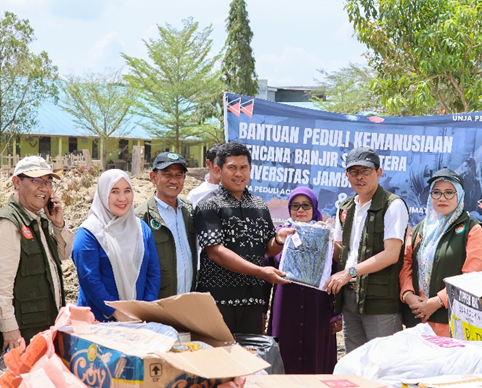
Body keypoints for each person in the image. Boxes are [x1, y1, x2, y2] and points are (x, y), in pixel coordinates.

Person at [193, 142, 292, 334]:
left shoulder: (259, 204)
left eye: (243, 167)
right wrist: (260, 272)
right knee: (217, 359)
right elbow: (216, 252)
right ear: (218, 170)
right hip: (217, 301)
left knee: (249, 359)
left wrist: (279, 239)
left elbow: (268, 247)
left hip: (253, 300)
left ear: (250, 169)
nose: (238, 173)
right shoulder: (208, 205)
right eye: (232, 167)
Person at [0, 156, 73, 352]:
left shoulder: (38, 219)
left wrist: (58, 225)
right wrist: (10, 330)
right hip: (22, 334)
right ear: (16, 182)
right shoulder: (8, 224)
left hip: (44, 329)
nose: (44, 188)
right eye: (35, 180)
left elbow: (65, 254)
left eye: (48, 182)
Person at [324, 146, 409, 354]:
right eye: (354, 171)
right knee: (354, 362)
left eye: (366, 171)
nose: (359, 177)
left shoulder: (393, 205)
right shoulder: (344, 207)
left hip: (380, 300)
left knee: (383, 364)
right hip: (349, 298)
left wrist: (349, 272)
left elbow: (391, 255)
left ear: (378, 173)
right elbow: (340, 252)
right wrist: (319, 244)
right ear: (347, 175)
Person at [401, 168, 482, 336]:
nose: (442, 198)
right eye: (436, 193)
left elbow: (471, 276)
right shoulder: (420, 229)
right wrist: (408, 294)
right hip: (417, 318)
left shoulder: (471, 229)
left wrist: (437, 302)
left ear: (459, 195)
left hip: (450, 320)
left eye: (449, 192)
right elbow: (406, 264)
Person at [267, 188, 339, 373]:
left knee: (316, 354)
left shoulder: (325, 234)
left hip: (318, 308)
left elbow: (338, 270)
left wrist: (337, 314)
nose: (301, 210)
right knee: (284, 353)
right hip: (286, 305)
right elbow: (267, 264)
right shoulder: (281, 234)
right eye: (295, 205)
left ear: (314, 208)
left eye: (306, 205)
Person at [72, 170, 160, 321]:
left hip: (138, 320)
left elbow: (154, 273)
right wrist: (117, 313)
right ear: (103, 194)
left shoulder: (141, 229)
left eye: (127, 191)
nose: (122, 198)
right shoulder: (88, 233)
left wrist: (145, 309)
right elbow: (90, 280)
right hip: (99, 321)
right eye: (114, 191)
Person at [136, 152, 196, 298]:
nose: (173, 181)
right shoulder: (142, 217)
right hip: (159, 303)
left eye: (178, 175)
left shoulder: (189, 210)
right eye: (167, 175)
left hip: (189, 301)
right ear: (153, 177)